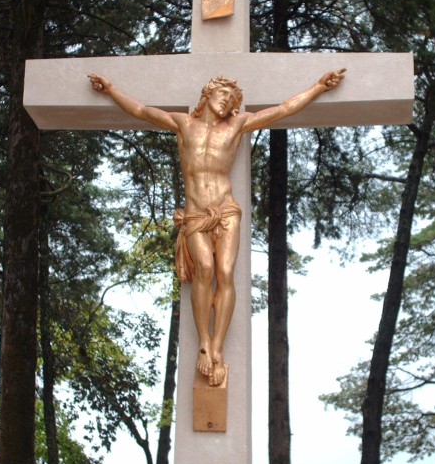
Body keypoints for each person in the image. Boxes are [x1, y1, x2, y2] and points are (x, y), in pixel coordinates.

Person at [88, 69, 345, 386]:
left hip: (225, 210)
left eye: (233, 99)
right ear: (208, 94)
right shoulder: (184, 124)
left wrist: (318, 87)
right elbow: (141, 110)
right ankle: (203, 344)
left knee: (225, 272)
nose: (228, 102)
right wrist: (111, 89)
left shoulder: (237, 125)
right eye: (223, 95)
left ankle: (218, 348)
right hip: (196, 213)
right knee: (205, 270)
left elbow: (283, 109)